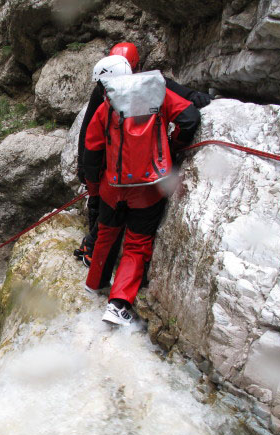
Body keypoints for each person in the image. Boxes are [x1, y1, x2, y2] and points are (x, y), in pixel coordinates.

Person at [74, 42, 211, 268]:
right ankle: (94, 245)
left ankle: (93, 248)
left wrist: (86, 169)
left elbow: (88, 133)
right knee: (104, 206)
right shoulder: (118, 88)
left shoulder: (108, 88)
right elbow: (90, 129)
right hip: (137, 162)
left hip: (115, 160)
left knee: (102, 204)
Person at [82, 66, 200, 326]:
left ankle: (94, 284)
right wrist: (174, 147)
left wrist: (94, 189)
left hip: (112, 188)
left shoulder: (106, 106)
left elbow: (91, 151)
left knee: (106, 234)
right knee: (136, 245)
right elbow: (189, 118)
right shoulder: (161, 95)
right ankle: (118, 305)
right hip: (148, 188)